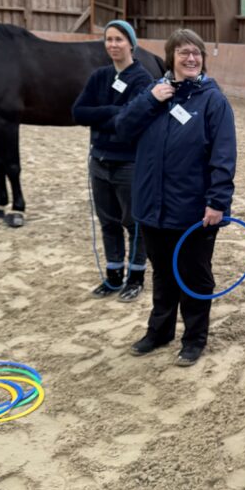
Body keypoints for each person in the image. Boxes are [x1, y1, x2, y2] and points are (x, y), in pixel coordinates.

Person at [114, 29, 236, 366]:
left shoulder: (214, 100)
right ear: (172, 58)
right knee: (163, 274)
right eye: (183, 52)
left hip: (194, 210)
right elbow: (123, 129)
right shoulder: (153, 94)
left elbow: (223, 157)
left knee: (195, 276)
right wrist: (150, 99)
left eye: (196, 52)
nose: (191, 58)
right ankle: (160, 331)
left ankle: (194, 339)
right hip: (153, 207)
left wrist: (217, 202)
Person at [72, 19, 152, 301]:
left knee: (134, 222)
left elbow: (129, 121)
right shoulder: (99, 77)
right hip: (99, 161)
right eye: (109, 39)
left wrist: (105, 115)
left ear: (131, 43)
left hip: (128, 163)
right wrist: (112, 112)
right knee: (107, 222)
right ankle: (114, 276)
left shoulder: (142, 79)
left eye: (119, 39)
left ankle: (136, 276)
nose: (113, 44)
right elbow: (79, 113)